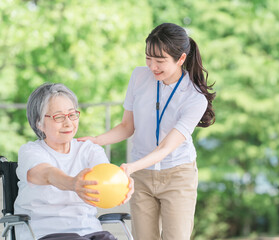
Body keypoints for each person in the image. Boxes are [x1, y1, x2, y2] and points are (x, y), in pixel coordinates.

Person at [78, 23, 216, 240]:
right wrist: (95, 140)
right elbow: (127, 126)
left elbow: (167, 147)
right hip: (141, 177)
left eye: (160, 61)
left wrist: (130, 167)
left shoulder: (194, 98)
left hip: (177, 175)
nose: (153, 66)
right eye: (148, 58)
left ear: (180, 59)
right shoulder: (139, 77)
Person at [14, 83, 133, 240]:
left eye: (72, 114)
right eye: (59, 117)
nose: (68, 123)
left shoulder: (89, 150)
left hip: (90, 231)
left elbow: (107, 178)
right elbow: (46, 174)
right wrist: (72, 183)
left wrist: (122, 184)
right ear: (39, 123)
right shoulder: (30, 152)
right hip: (45, 232)